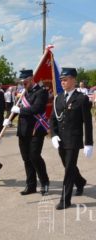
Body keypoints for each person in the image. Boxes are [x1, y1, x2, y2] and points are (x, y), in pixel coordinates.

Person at [50, 68, 93, 210]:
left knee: (68, 169)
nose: (63, 82)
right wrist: (54, 135)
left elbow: (87, 122)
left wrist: (89, 143)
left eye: (66, 79)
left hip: (74, 139)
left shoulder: (82, 98)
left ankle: (65, 199)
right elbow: (53, 119)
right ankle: (80, 182)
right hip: (61, 139)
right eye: (61, 79)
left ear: (74, 80)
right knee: (68, 166)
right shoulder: (58, 98)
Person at [4, 69, 50, 195]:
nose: (22, 85)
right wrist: (8, 119)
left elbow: (37, 108)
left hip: (36, 129)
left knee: (34, 156)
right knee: (26, 159)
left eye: (24, 83)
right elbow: (15, 108)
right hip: (23, 130)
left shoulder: (42, 92)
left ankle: (45, 182)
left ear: (31, 80)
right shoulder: (22, 93)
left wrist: (20, 111)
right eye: (21, 83)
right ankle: (31, 185)